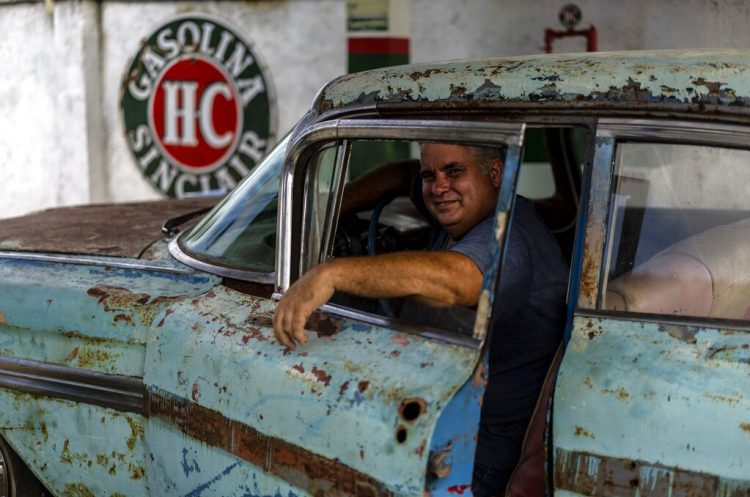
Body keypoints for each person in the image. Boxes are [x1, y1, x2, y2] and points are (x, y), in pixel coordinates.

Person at [273, 142, 568, 496]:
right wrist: (332, 209)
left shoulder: (510, 239)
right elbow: (400, 174)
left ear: (496, 174)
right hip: (452, 418)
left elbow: (456, 282)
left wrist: (330, 275)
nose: (439, 186)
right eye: (431, 175)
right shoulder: (465, 210)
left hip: (476, 457)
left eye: (455, 171)